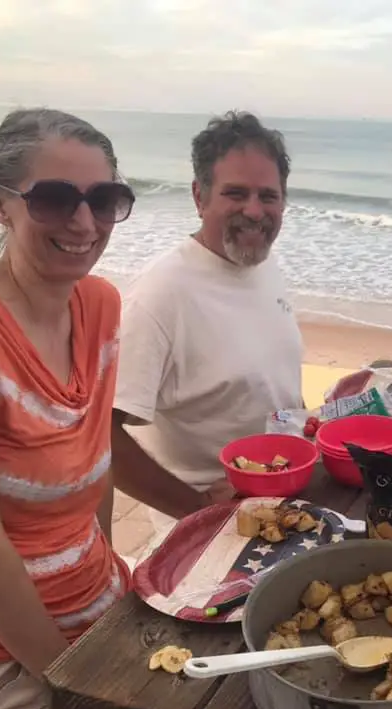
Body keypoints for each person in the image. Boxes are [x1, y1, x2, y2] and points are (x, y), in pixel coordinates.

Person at [0, 108, 135, 709]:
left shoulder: (101, 306)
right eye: (55, 199)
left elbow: (96, 467)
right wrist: (74, 684)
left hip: (99, 599)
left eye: (103, 199)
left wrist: (112, 597)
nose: (84, 223)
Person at [111, 111, 303, 537]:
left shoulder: (264, 265)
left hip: (288, 503)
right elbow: (101, 437)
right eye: (235, 193)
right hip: (213, 536)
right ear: (200, 197)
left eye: (268, 196)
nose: (255, 211)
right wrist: (197, 509)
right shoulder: (159, 295)